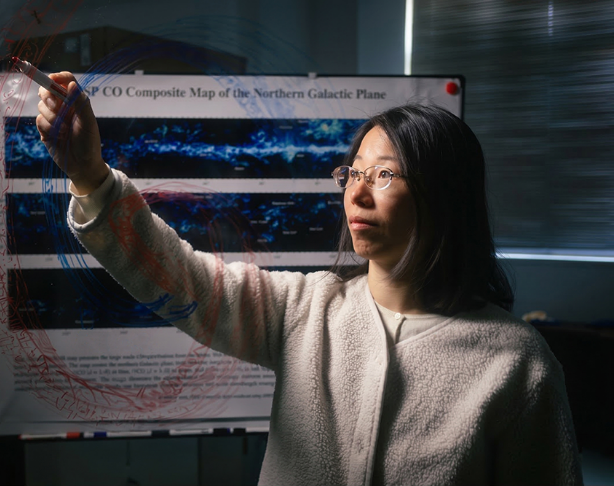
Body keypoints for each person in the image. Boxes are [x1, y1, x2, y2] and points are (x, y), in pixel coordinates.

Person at [36, 72, 583, 485]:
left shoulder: (517, 364)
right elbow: (181, 278)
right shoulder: (306, 308)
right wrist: (89, 175)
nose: (357, 193)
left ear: (443, 195)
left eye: (384, 174)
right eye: (354, 172)